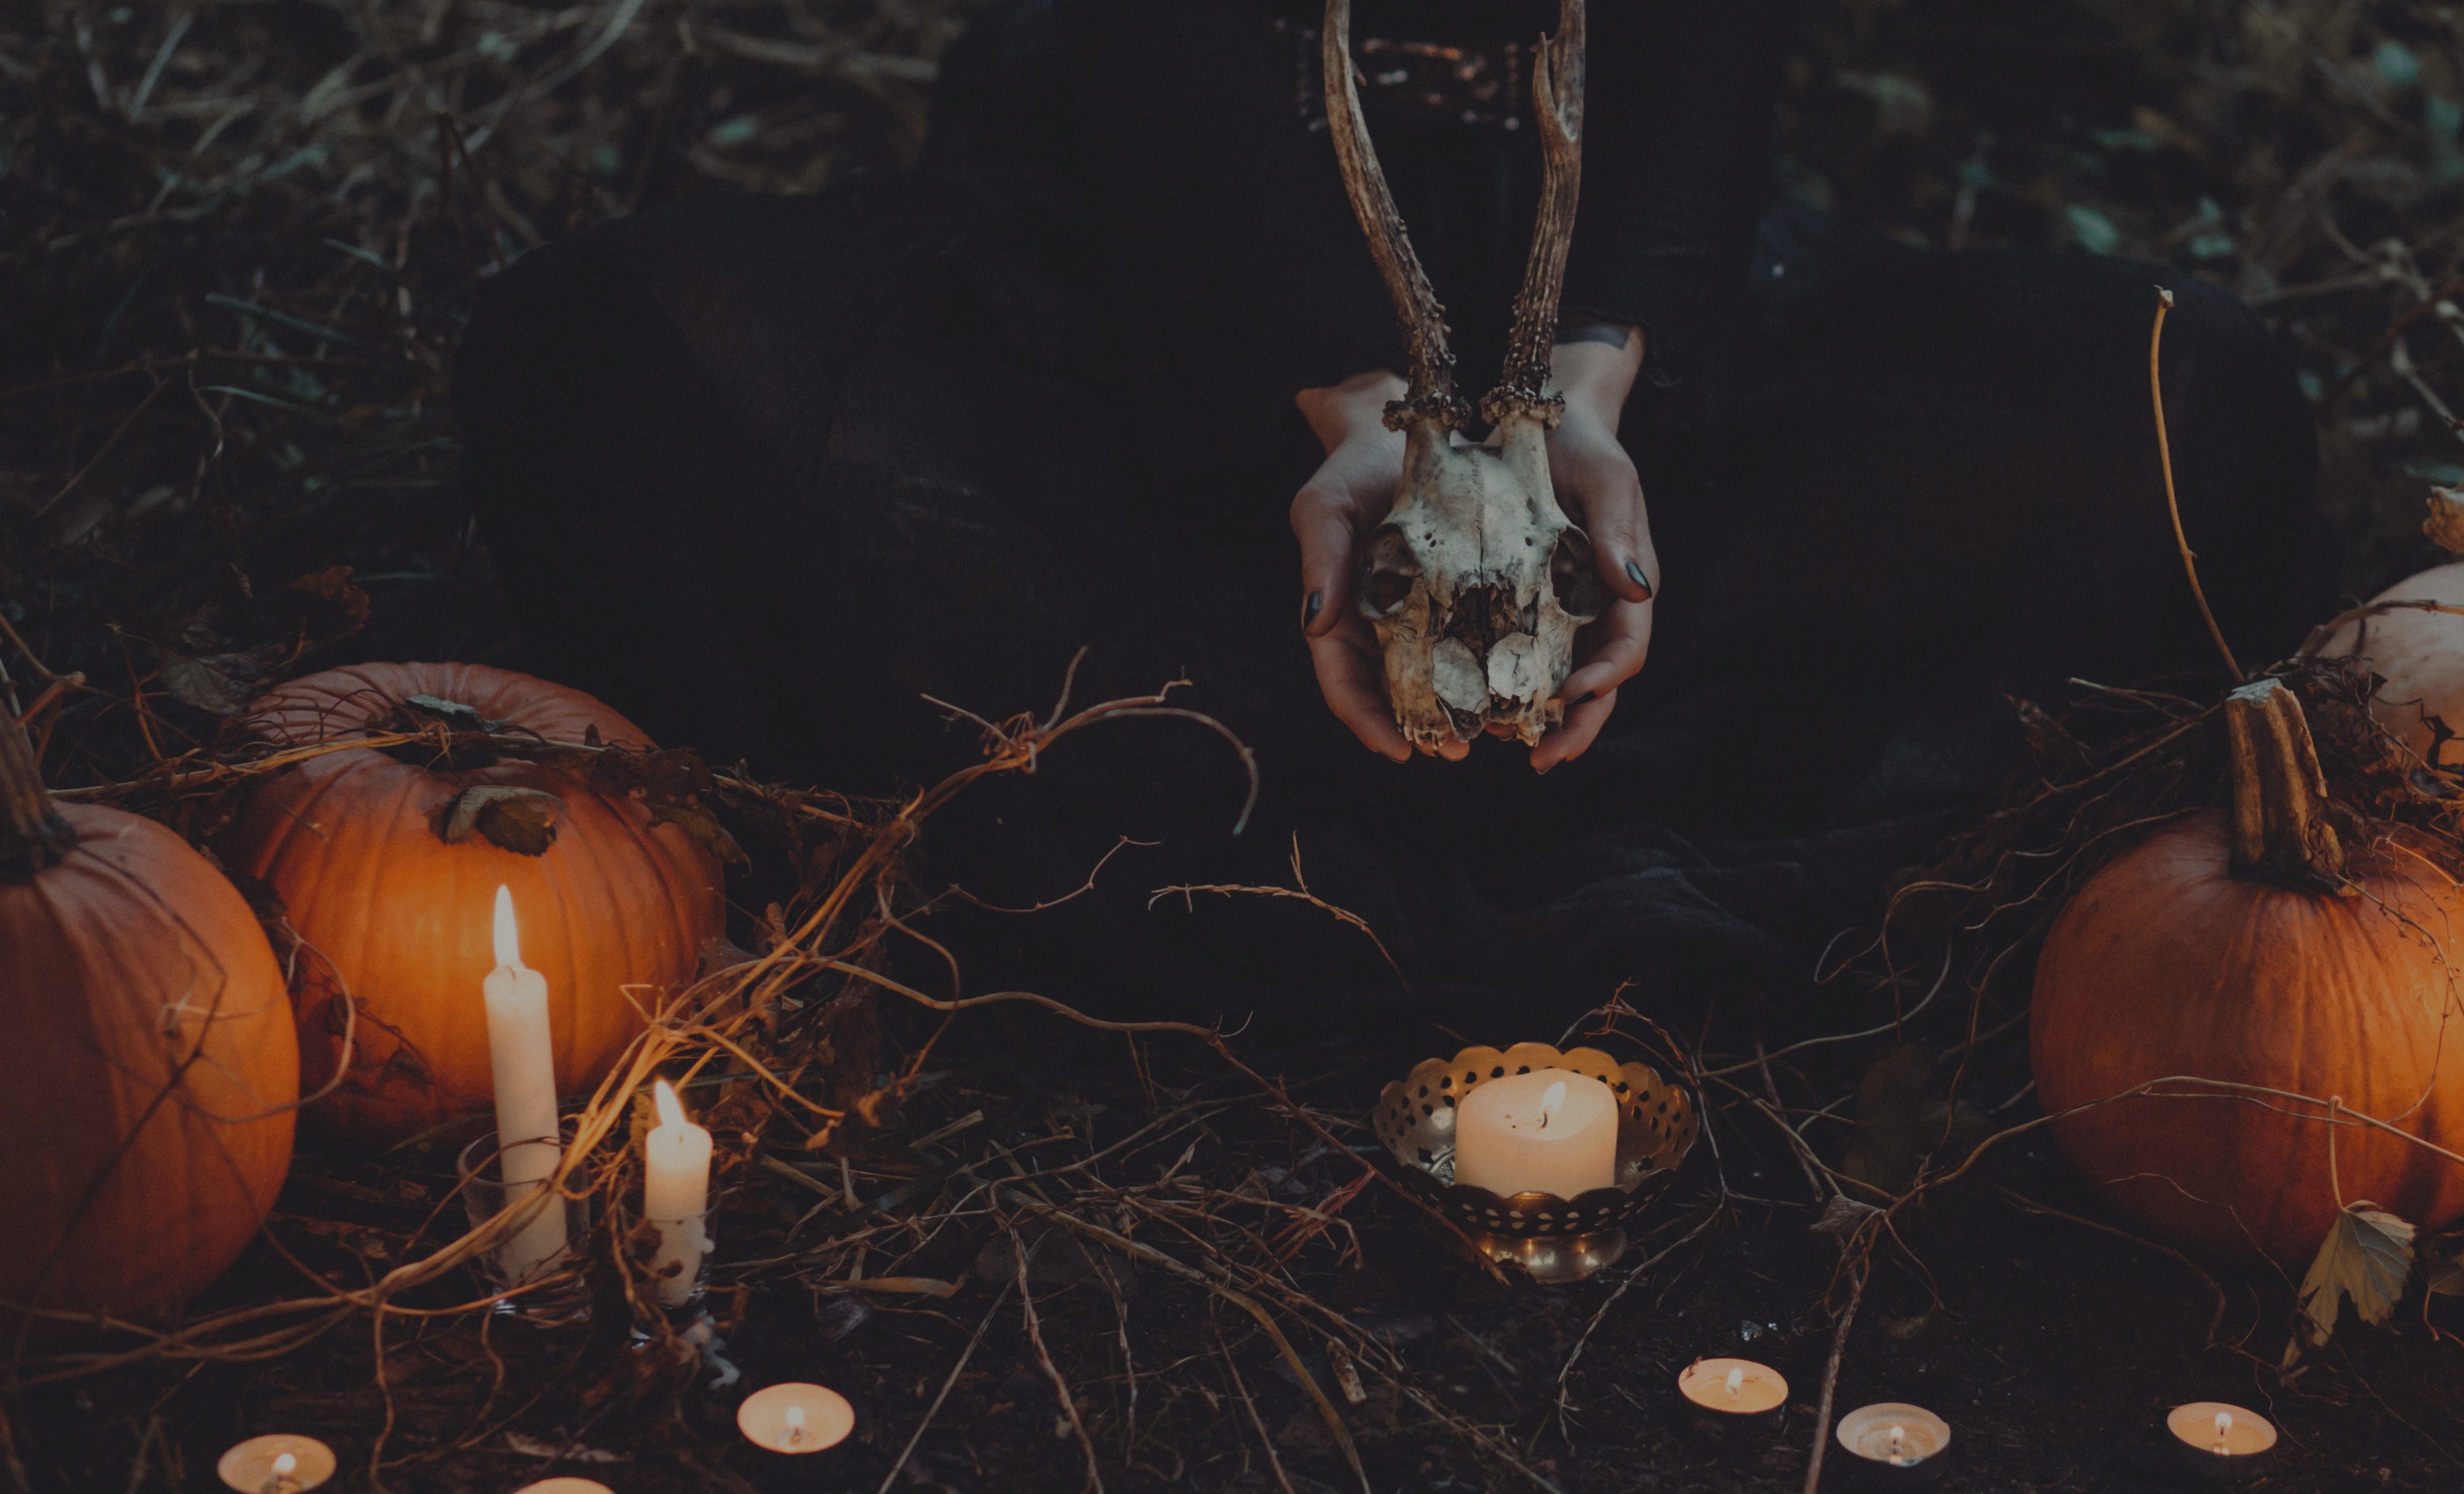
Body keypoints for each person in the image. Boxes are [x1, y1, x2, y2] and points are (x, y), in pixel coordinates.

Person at [456, 0, 2327, 1030]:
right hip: (1161, 273)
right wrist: (1345, 396)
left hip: (1643, 301)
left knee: (2184, 405)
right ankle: (1497, 822)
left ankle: (1263, 804)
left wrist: (1594, 380)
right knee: (616, 356)